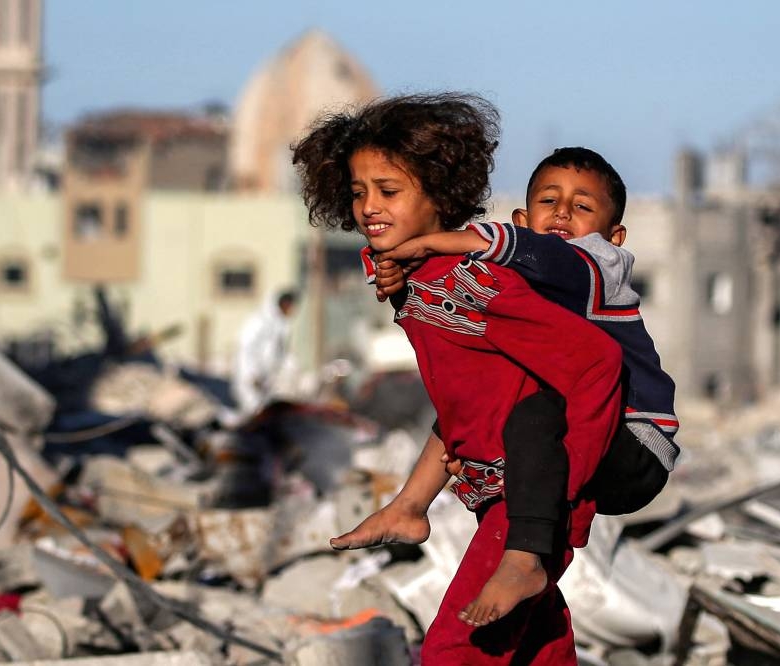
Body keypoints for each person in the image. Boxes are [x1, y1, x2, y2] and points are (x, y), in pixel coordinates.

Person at [292, 94, 623, 665]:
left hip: (525, 505)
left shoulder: (472, 283)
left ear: (439, 196)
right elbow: (469, 406)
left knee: (457, 650)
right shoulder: (417, 281)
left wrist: (557, 496)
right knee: (535, 647)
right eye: (358, 191)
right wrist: (411, 503)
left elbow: (597, 364)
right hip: (499, 496)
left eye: (389, 191)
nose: (369, 206)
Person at [373, 147, 681, 626]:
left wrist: (452, 241)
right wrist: (401, 276)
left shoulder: (598, 267)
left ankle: (524, 557)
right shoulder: (511, 284)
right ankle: (410, 505)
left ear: (615, 236)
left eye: (582, 207)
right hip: (574, 434)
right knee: (479, 404)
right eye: (548, 201)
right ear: (523, 216)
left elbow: (552, 258)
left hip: (632, 442)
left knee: (532, 413)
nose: (562, 212)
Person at [232, 290, 297, 418]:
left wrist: (291, 370)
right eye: (289, 306)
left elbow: (281, 353)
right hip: (252, 379)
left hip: (267, 379)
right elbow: (246, 348)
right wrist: (252, 374)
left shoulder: (282, 326)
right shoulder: (260, 321)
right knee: (252, 411)